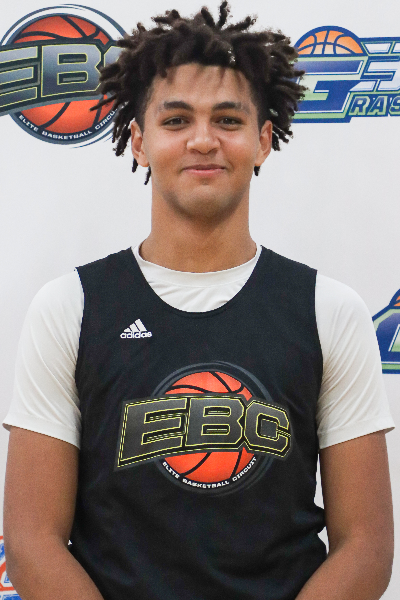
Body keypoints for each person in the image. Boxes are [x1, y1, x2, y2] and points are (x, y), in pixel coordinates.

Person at [2, 3, 395, 600]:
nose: (204, 140)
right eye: (177, 119)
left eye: (228, 120)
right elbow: (32, 542)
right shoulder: (70, 308)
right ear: (139, 141)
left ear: (263, 141)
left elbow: (366, 545)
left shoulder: (328, 311)